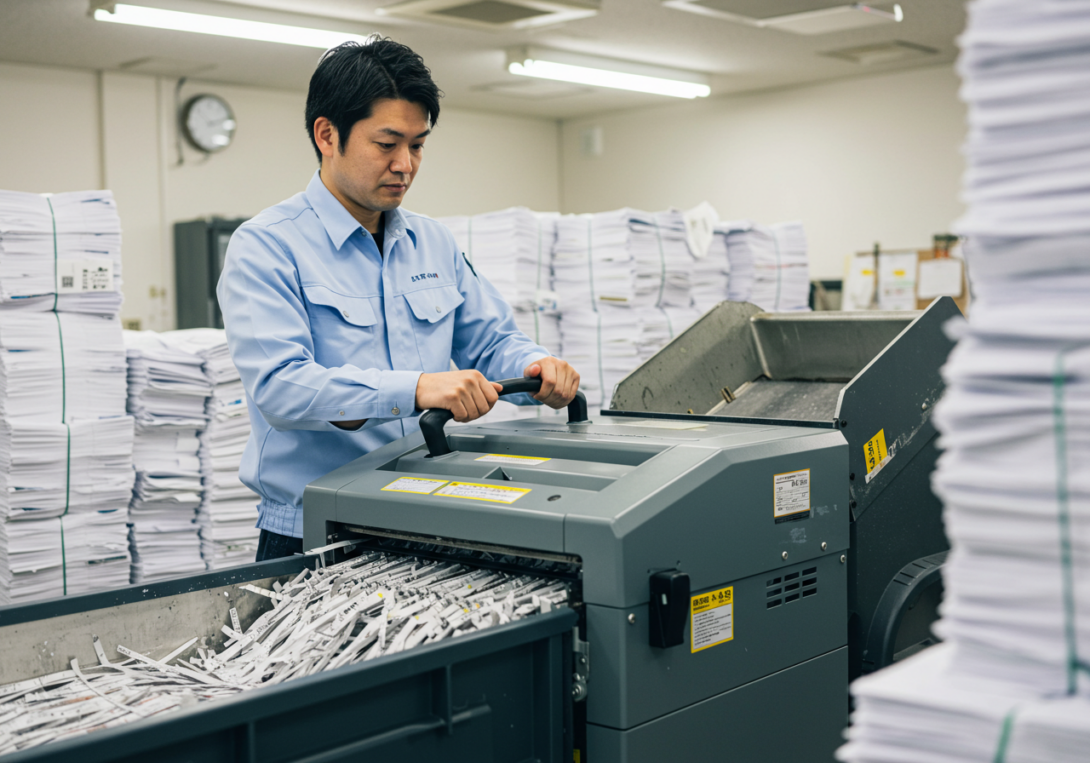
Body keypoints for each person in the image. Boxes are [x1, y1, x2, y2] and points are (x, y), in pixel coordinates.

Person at [217, 38, 580, 561]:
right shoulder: (268, 246)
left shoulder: (432, 242)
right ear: (327, 135)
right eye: (387, 144)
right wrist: (416, 388)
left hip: (424, 515)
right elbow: (281, 386)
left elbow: (490, 341)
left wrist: (536, 366)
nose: (405, 165)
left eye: (418, 145)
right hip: (316, 530)